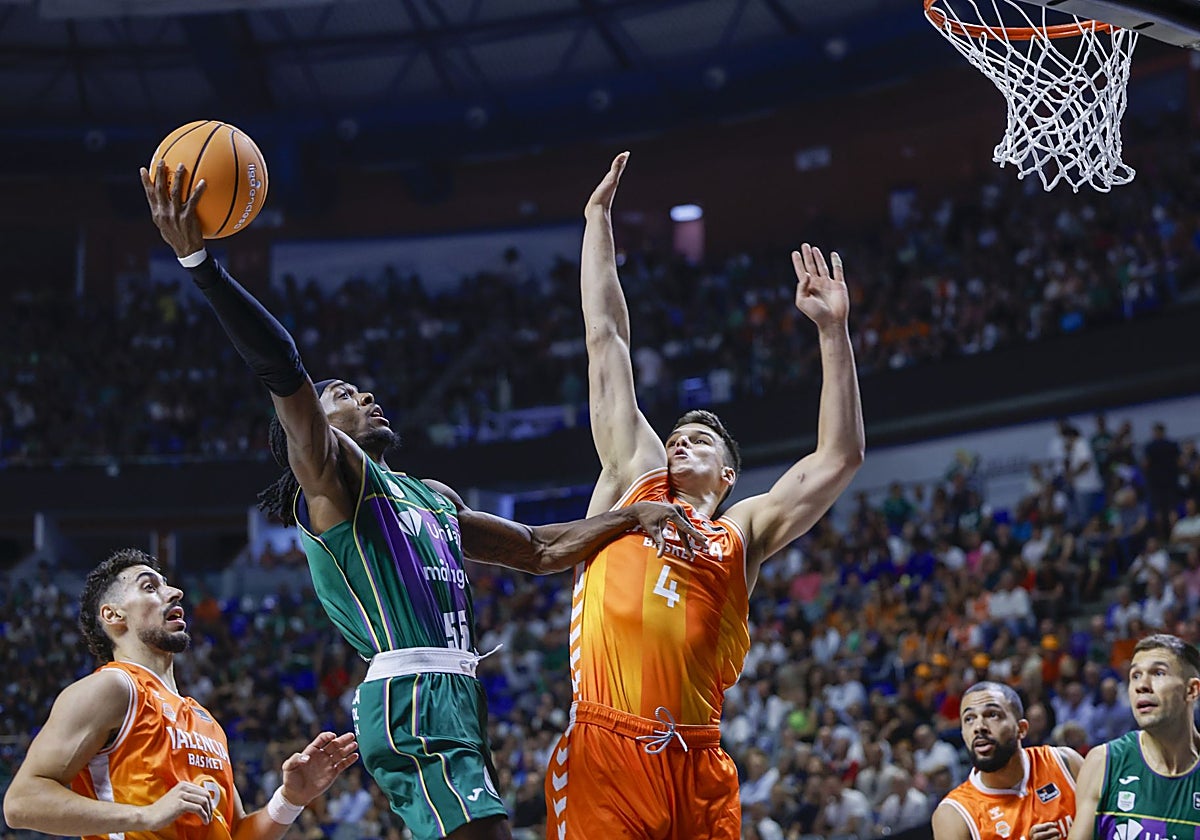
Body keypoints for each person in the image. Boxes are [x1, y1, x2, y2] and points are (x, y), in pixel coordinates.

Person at [140, 161, 706, 840]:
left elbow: (537, 548)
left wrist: (632, 516)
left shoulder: (430, 495)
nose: (365, 397)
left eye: (361, 390)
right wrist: (201, 264)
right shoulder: (333, 485)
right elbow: (283, 363)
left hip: (456, 693)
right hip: (411, 693)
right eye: (344, 395)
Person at [544, 152, 864, 839]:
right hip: (608, 745)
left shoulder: (741, 531)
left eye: (699, 441)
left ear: (728, 477)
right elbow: (607, 341)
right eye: (677, 436)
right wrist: (597, 222)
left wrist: (833, 334)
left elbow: (839, 457)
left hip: (698, 760)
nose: (679, 444)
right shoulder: (635, 476)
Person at [3, 548, 359, 838]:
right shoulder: (113, 688)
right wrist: (145, 816)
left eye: (168, 585)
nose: (174, 592)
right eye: (149, 587)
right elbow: (21, 803)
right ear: (113, 615)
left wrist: (290, 800)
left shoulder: (206, 722)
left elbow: (235, 834)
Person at [1068, 634, 1200, 840]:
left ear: (1191, 690)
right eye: (1135, 676)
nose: (1142, 685)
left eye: (1158, 673)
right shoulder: (1104, 762)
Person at [932, 681, 1083, 840]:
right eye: (969, 719)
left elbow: (1109, 826)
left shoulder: (1064, 762)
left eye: (992, 715)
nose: (979, 726)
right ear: (963, 734)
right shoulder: (954, 814)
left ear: (1022, 729)